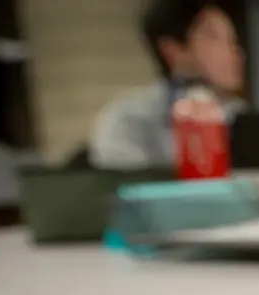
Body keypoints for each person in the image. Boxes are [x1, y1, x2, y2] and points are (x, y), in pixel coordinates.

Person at [88, 0, 245, 169]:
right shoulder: (129, 120)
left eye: (233, 39)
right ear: (174, 49)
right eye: (215, 38)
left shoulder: (241, 118)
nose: (234, 52)